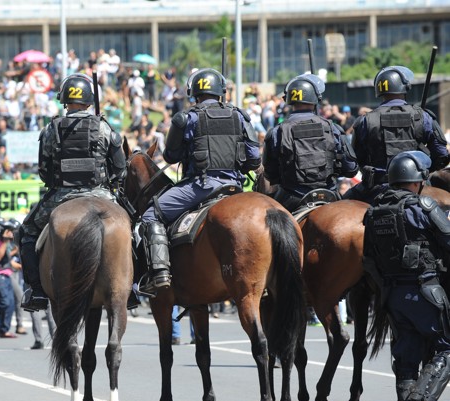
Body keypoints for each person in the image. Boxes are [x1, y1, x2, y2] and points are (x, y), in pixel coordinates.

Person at [138, 68, 261, 295]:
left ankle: (160, 272)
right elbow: (254, 159)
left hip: (200, 187)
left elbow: (170, 157)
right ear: (221, 91)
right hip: (234, 187)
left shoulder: (187, 118)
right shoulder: (240, 116)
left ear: (194, 93)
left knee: (150, 214)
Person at [19, 73, 126, 312]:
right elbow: (119, 168)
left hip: (60, 196)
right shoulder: (104, 128)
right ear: (89, 101)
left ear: (64, 100)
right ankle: (135, 284)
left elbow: (44, 171)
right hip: (100, 194)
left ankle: (35, 290)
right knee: (137, 228)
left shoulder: (51, 129)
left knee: (26, 232)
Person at [363, 151, 450, 401]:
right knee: (447, 349)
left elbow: (368, 259)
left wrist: (387, 285)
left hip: (392, 295)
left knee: (407, 357)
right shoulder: (424, 206)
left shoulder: (373, 212)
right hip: (426, 290)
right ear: (420, 180)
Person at [344, 65, 449, 203]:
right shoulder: (422, 117)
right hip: (416, 184)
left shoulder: (365, 121)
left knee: (339, 203)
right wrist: (423, 171)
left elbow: (356, 159)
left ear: (379, 90)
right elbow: (441, 155)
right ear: (404, 87)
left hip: (376, 186)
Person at [262, 73, 358, 212]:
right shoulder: (333, 128)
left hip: (292, 197)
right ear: (315, 100)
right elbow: (351, 168)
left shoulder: (277, 131)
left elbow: (270, 174)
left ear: (289, 100)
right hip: (328, 194)